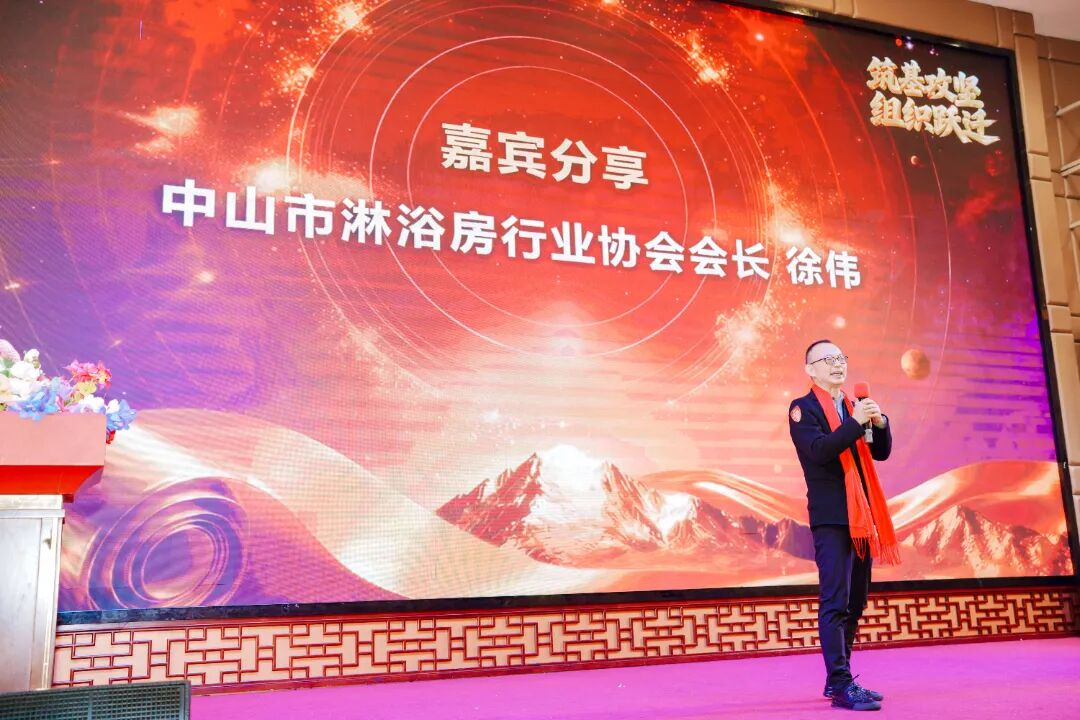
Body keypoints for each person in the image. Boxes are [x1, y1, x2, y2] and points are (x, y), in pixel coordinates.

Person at [788, 339, 901, 712]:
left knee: (856, 601)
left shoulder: (855, 406)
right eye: (828, 359)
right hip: (833, 518)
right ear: (810, 370)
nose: (837, 364)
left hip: (862, 517)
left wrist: (879, 423)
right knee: (835, 601)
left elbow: (880, 452)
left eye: (841, 358)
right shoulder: (802, 409)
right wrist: (854, 423)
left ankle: (841, 677)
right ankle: (840, 684)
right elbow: (820, 451)